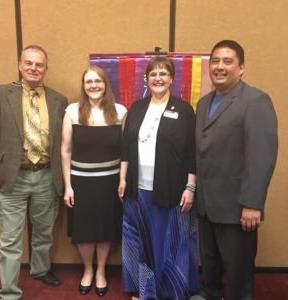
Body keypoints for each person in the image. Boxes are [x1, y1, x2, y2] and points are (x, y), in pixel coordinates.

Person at [191, 40, 278, 300]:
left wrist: (252, 203)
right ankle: (210, 293)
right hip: (206, 202)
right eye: (215, 61)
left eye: (227, 61)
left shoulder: (255, 101)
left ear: (241, 68)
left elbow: (262, 156)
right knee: (209, 259)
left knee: (238, 268)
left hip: (237, 205)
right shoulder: (204, 103)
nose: (219, 67)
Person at [0, 45, 68, 300]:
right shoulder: (1, 94)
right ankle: (9, 292)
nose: (34, 68)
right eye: (29, 63)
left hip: (46, 176)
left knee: (44, 231)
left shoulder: (59, 100)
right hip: (12, 178)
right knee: (10, 239)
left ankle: (40, 269)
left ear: (46, 68)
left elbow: (63, 144)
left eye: (39, 64)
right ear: (20, 65)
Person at [118, 56, 199, 300]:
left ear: (172, 79)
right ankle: (144, 290)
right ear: (147, 79)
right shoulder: (137, 107)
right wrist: (122, 179)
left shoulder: (184, 110)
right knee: (141, 240)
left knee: (171, 242)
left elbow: (191, 152)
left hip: (172, 189)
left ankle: (171, 290)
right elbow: (126, 148)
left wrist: (190, 187)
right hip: (137, 188)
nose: (158, 78)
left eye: (163, 74)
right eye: (153, 74)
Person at [61, 65, 127, 297]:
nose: (94, 85)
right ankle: (88, 270)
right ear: (84, 86)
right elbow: (66, 150)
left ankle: (101, 272)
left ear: (105, 84)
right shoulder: (72, 111)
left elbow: (125, 151)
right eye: (89, 81)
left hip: (109, 184)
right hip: (81, 183)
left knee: (105, 230)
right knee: (85, 231)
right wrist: (68, 186)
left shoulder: (119, 111)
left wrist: (122, 180)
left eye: (98, 81)